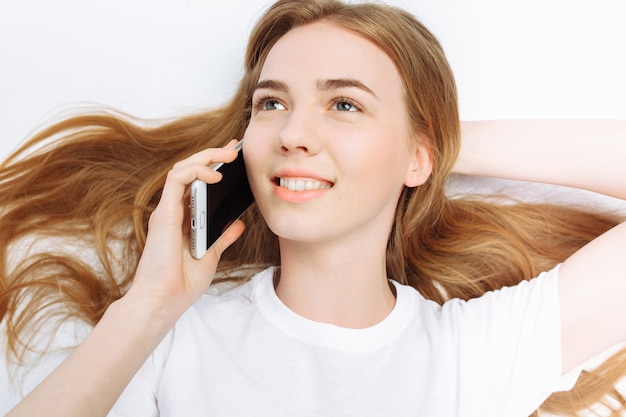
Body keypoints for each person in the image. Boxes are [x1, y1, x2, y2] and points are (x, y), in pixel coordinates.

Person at [1, 0, 625, 415]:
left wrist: (433, 144)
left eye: (344, 105)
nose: (293, 133)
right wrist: (149, 305)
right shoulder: (167, 341)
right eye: (271, 104)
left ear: (419, 159)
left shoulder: (474, 354)